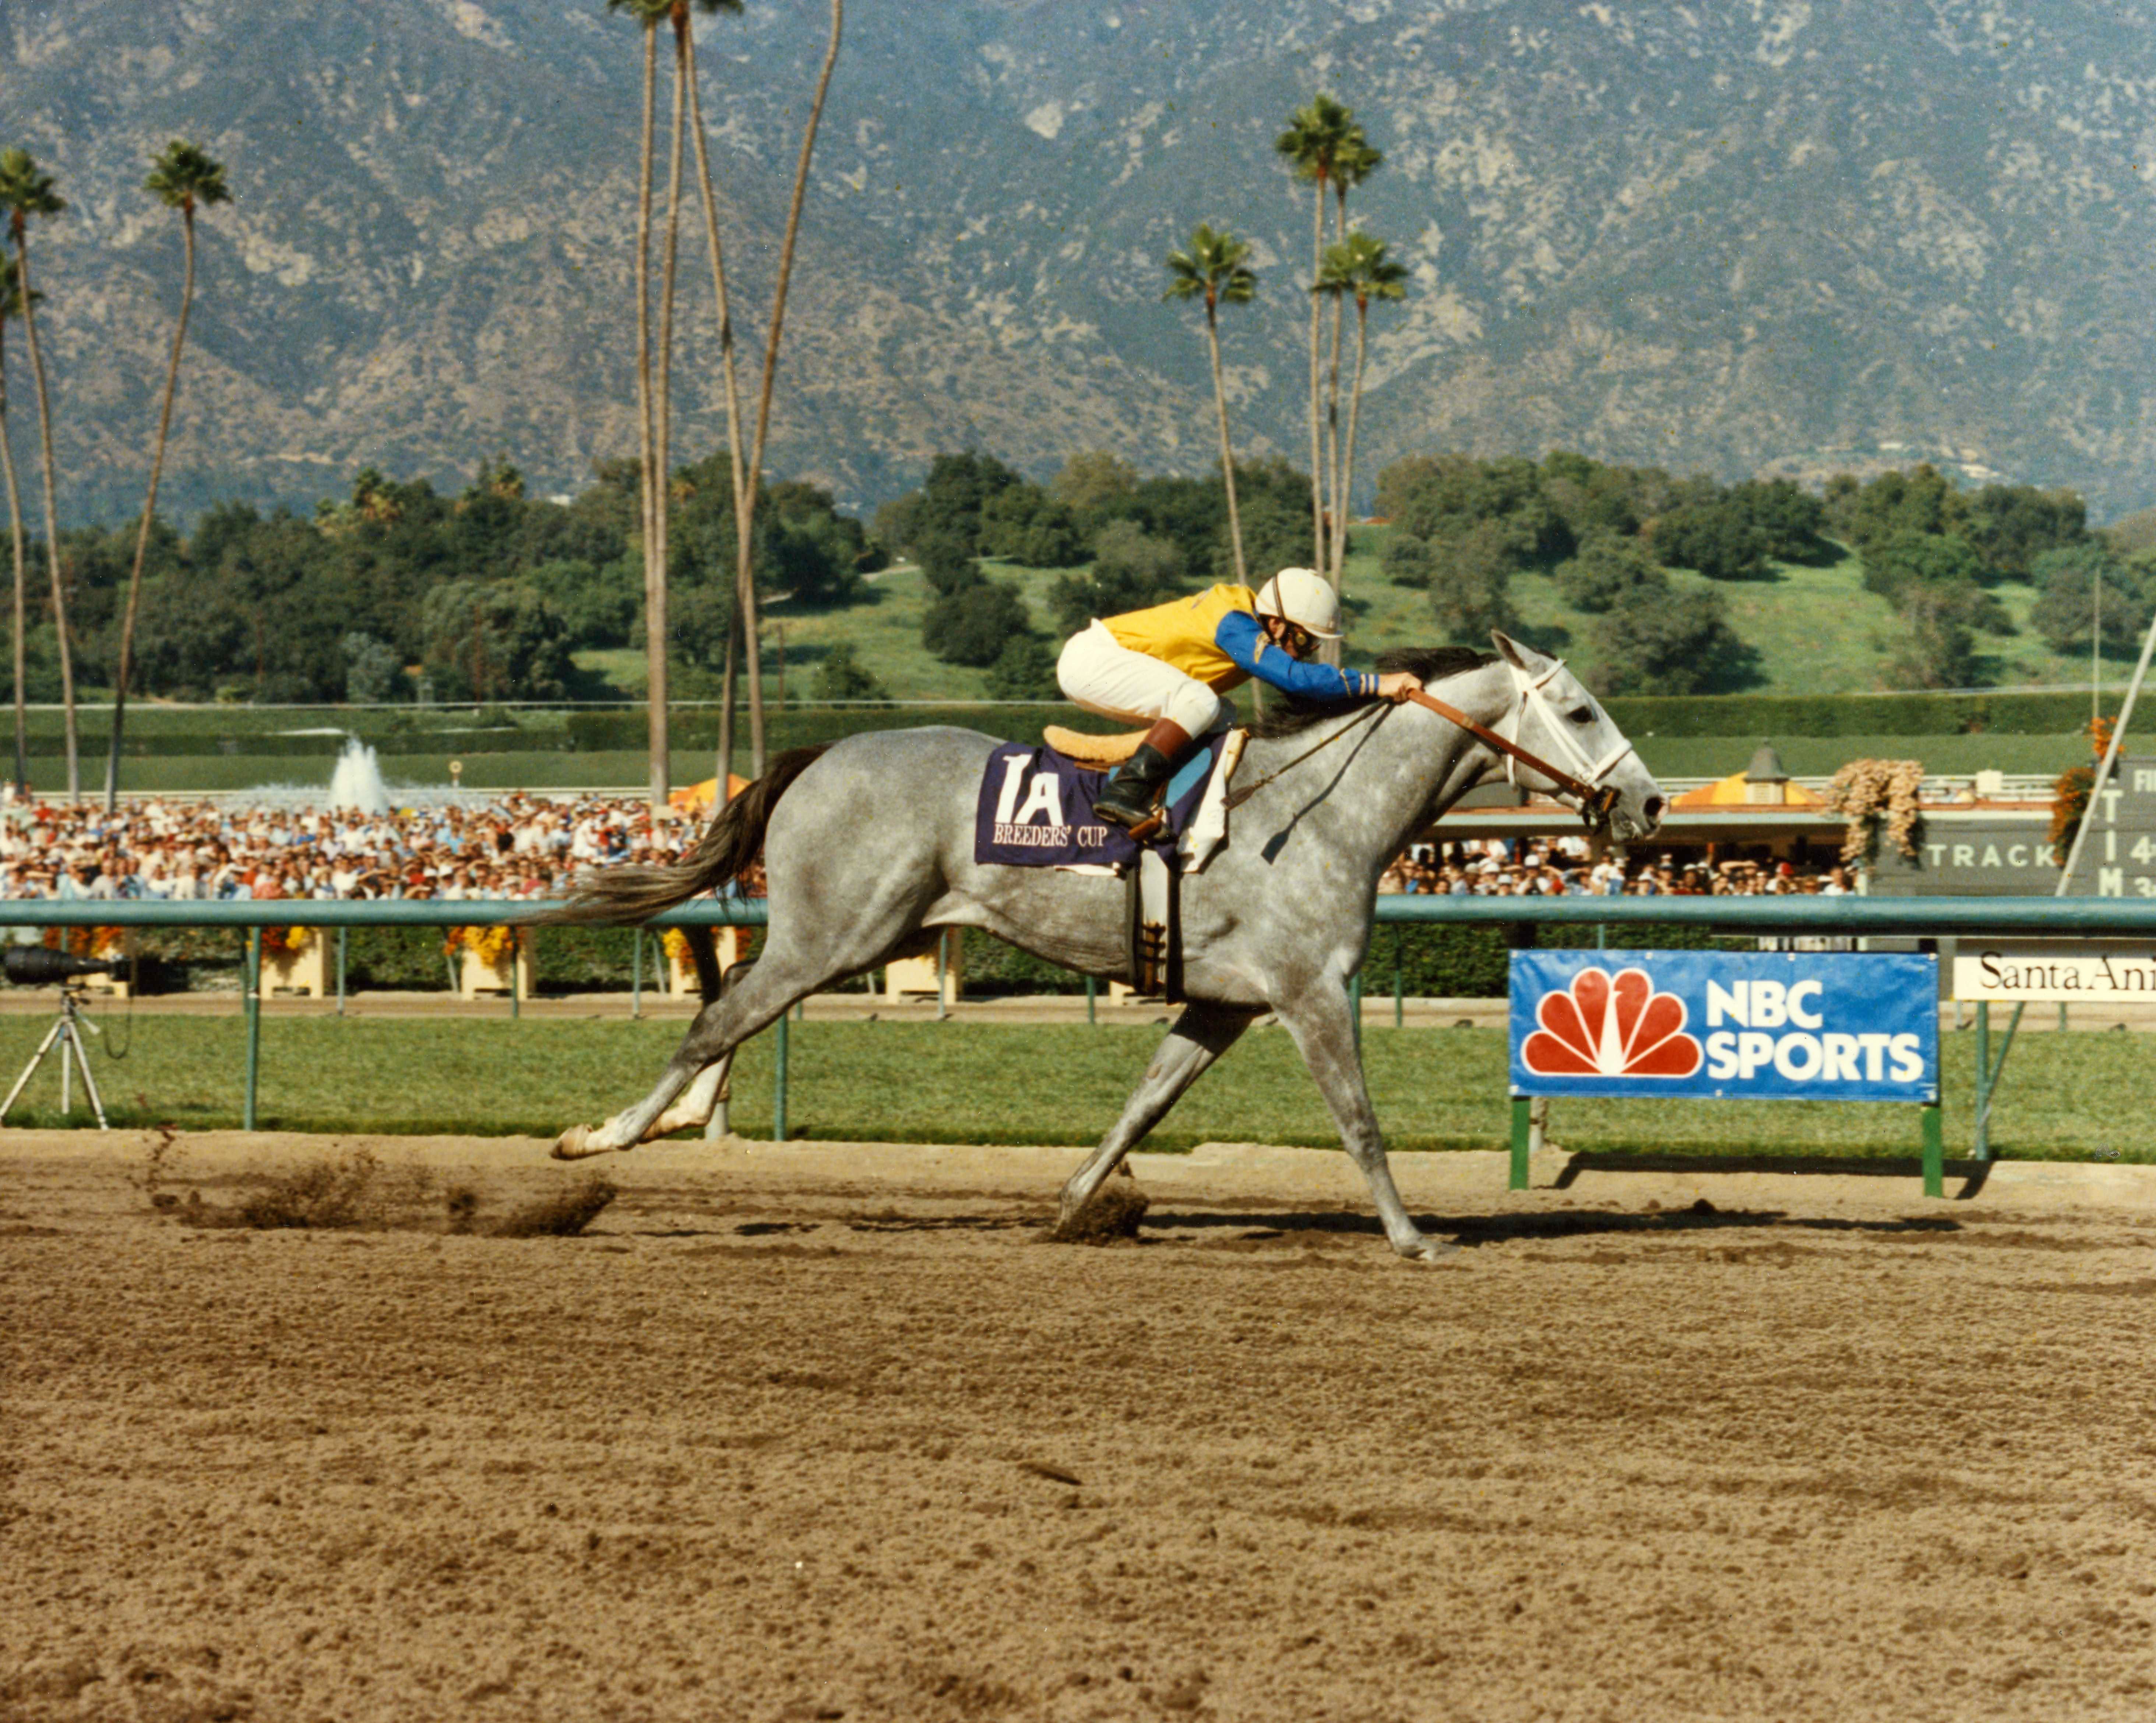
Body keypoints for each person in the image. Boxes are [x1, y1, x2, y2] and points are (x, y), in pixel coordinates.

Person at [1056, 566, 1423, 832]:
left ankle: (1168, 804)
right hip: (1091, 660)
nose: (1306, 651)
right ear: (1277, 623)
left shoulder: (1246, 619)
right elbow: (1297, 680)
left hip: (1097, 661)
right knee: (1201, 700)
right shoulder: (1235, 624)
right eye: (1305, 640)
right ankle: (1125, 792)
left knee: (1222, 714)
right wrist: (1378, 683)